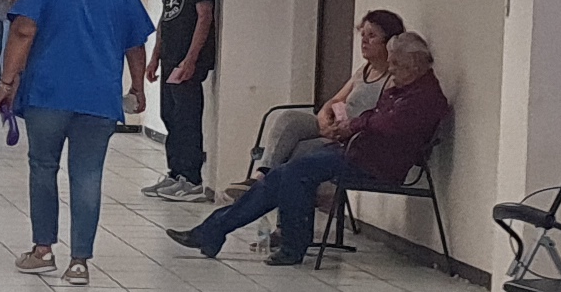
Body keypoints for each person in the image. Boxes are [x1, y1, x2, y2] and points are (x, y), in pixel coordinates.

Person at [172, 31, 447, 267]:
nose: (392, 69)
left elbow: (386, 123)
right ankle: (213, 231)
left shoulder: (425, 97)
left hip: (376, 164)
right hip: (357, 153)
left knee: (295, 174)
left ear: (415, 65)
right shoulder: (403, 88)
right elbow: (376, 117)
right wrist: (352, 126)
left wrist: (354, 126)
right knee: (282, 174)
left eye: (396, 64)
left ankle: (291, 247)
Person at [0, 0, 154, 287]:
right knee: (88, 176)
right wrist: (137, 87)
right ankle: (79, 262)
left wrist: (6, 82)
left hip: (47, 94)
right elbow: (135, 44)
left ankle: (43, 251)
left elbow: (23, 31)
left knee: (43, 168)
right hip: (98, 99)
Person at [233, 10, 403, 200]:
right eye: (362, 34)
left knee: (303, 149)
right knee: (289, 119)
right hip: (335, 124)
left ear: (388, 41)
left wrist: (340, 131)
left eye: (372, 36)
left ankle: (273, 199)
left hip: (352, 137)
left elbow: (379, 119)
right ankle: (262, 175)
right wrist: (324, 120)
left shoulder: (393, 78)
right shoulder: (364, 70)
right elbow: (335, 101)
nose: (364, 41)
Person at [141, 0, 222, 203]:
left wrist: (191, 59)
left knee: (187, 117)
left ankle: (192, 178)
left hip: (189, 58)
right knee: (170, 114)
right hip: (170, 55)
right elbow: (167, 15)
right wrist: (155, 55)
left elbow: (204, 16)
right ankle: (175, 173)